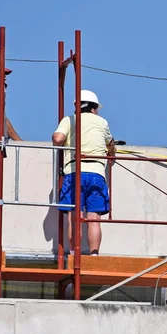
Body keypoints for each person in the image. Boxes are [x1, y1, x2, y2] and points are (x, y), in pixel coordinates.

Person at [52, 89, 116, 256]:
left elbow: (58, 139)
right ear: (94, 108)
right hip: (97, 173)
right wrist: (111, 154)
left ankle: (74, 255)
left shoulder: (69, 120)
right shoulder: (102, 122)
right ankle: (94, 256)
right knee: (94, 219)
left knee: (75, 218)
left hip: (74, 172)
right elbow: (111, 146)